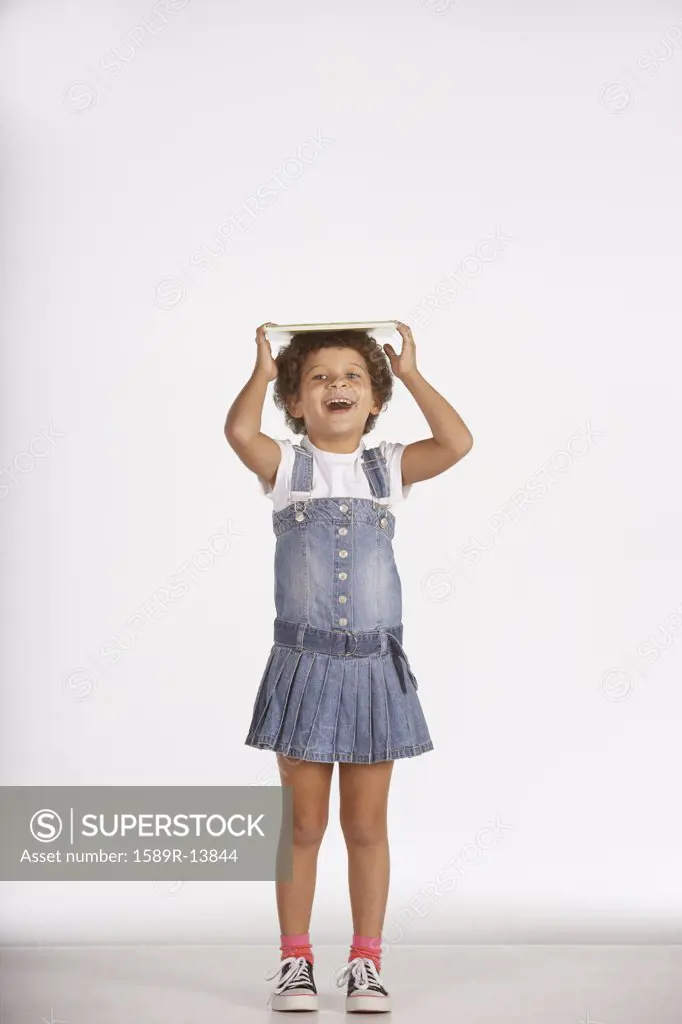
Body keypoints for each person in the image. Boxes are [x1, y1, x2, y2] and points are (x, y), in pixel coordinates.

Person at [224, 321, 473, 1013]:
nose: (337, 386)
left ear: (375, 400)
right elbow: (240, 434)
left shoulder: (386, 467)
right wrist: (261, 370)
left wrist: (413, 371)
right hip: (304, 667)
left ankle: (366, 963)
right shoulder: (286, 467)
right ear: (296, 400)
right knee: (303, 826)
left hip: (370, 671)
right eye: (319, 378)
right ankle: (295, 962)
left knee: (366, 826)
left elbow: (456, 443)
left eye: (353, 378)